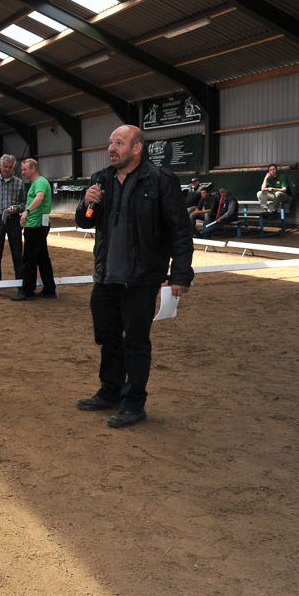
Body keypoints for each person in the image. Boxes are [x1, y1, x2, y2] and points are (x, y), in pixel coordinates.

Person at [75, 125, 193, 428]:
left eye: (119, 143)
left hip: (142, 277)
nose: (111, 148)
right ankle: (109, 391)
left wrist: (180, 274)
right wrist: (88, 204)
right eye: (110, 143)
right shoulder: (101, 179)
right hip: (106, 276)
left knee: (136, 342)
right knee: (108, 337)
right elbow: (86, 223)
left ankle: (133, 403)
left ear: (137, 148)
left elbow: (180, 231)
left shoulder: (160, 181)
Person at [11, 159, 56, 301]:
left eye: (25, 169)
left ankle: (27, 291)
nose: (22, 172)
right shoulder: (36, 183)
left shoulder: (40, 182)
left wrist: (27, 211)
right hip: (37, 225)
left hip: (36, 226)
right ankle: (49, 289)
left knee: (29, 259)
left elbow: (40, 197)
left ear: (33, 169)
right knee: (43, 258)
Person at [0, 154, 26, 296]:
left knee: (17, 254)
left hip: (14, 220)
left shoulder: (19, 183)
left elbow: (24, 202)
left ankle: (21, 285)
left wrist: (18, 209)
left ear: (14, 167)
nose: (7, 169)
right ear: (0, 166)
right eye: (5, 166)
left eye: (10, 167)